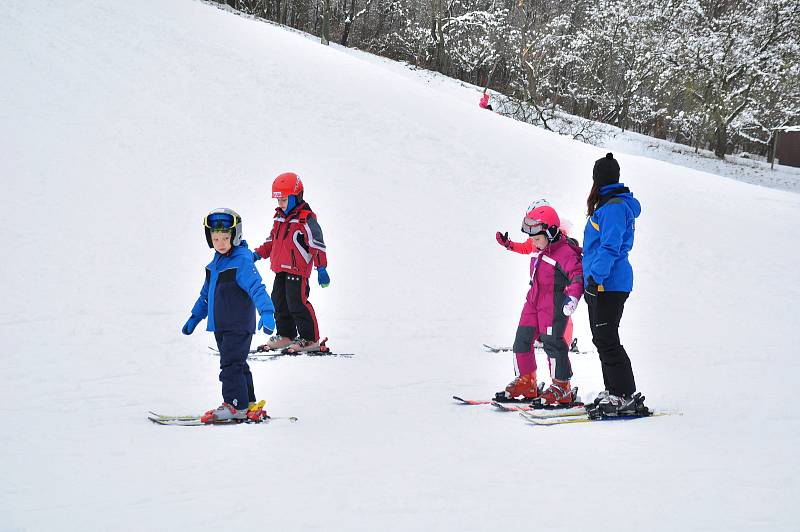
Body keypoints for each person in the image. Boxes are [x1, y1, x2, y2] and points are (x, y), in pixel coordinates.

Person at [181, 208, 276, 423]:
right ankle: (248, 402)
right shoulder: (215, 264)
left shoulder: (241, 261)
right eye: (215, 238)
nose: (221, 242)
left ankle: (235, 405)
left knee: (230, 365)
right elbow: (206, 295)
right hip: (222, 325)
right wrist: (195, 317)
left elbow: (257, 288)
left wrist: (267, 312)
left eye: (225, 237)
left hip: (238, 324)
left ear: (236, 236)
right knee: (238, 364)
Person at [495, 202, 584, 405]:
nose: (533, 244)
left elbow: (577, 275)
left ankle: (562, 386)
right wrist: (509, 244)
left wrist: (573, 296)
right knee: (522, 340)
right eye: (532, 239)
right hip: (533, 300)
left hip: (553, 303)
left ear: (551, 232)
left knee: (553, 344)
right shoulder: (540, 245)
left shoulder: (565, 252)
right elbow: (528, 247)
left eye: (536, 239)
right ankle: (527, 381)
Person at [582, 153, 649, 417]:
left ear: (598, 179)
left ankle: (624, 395)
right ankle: (614, 391)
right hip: (602, 282)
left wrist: (595, 278)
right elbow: (601, 246)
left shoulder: (613, 207)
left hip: (608, 283)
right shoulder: (609, 205)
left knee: (607, 339)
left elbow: (610, 247)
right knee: (602, 339)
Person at [253, 172, 329, 352]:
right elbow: (272, 241)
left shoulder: (305, 219)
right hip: (280, 269)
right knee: (278, 301)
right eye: (278, 201)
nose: (280, 204)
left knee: (297, 303)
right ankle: (286, 335)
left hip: (297, 271)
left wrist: (322, 268)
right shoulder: (279, 218)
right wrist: (257, 254)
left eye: (284, 200)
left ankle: (310, 339)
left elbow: (317, 245)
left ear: (297, 196)